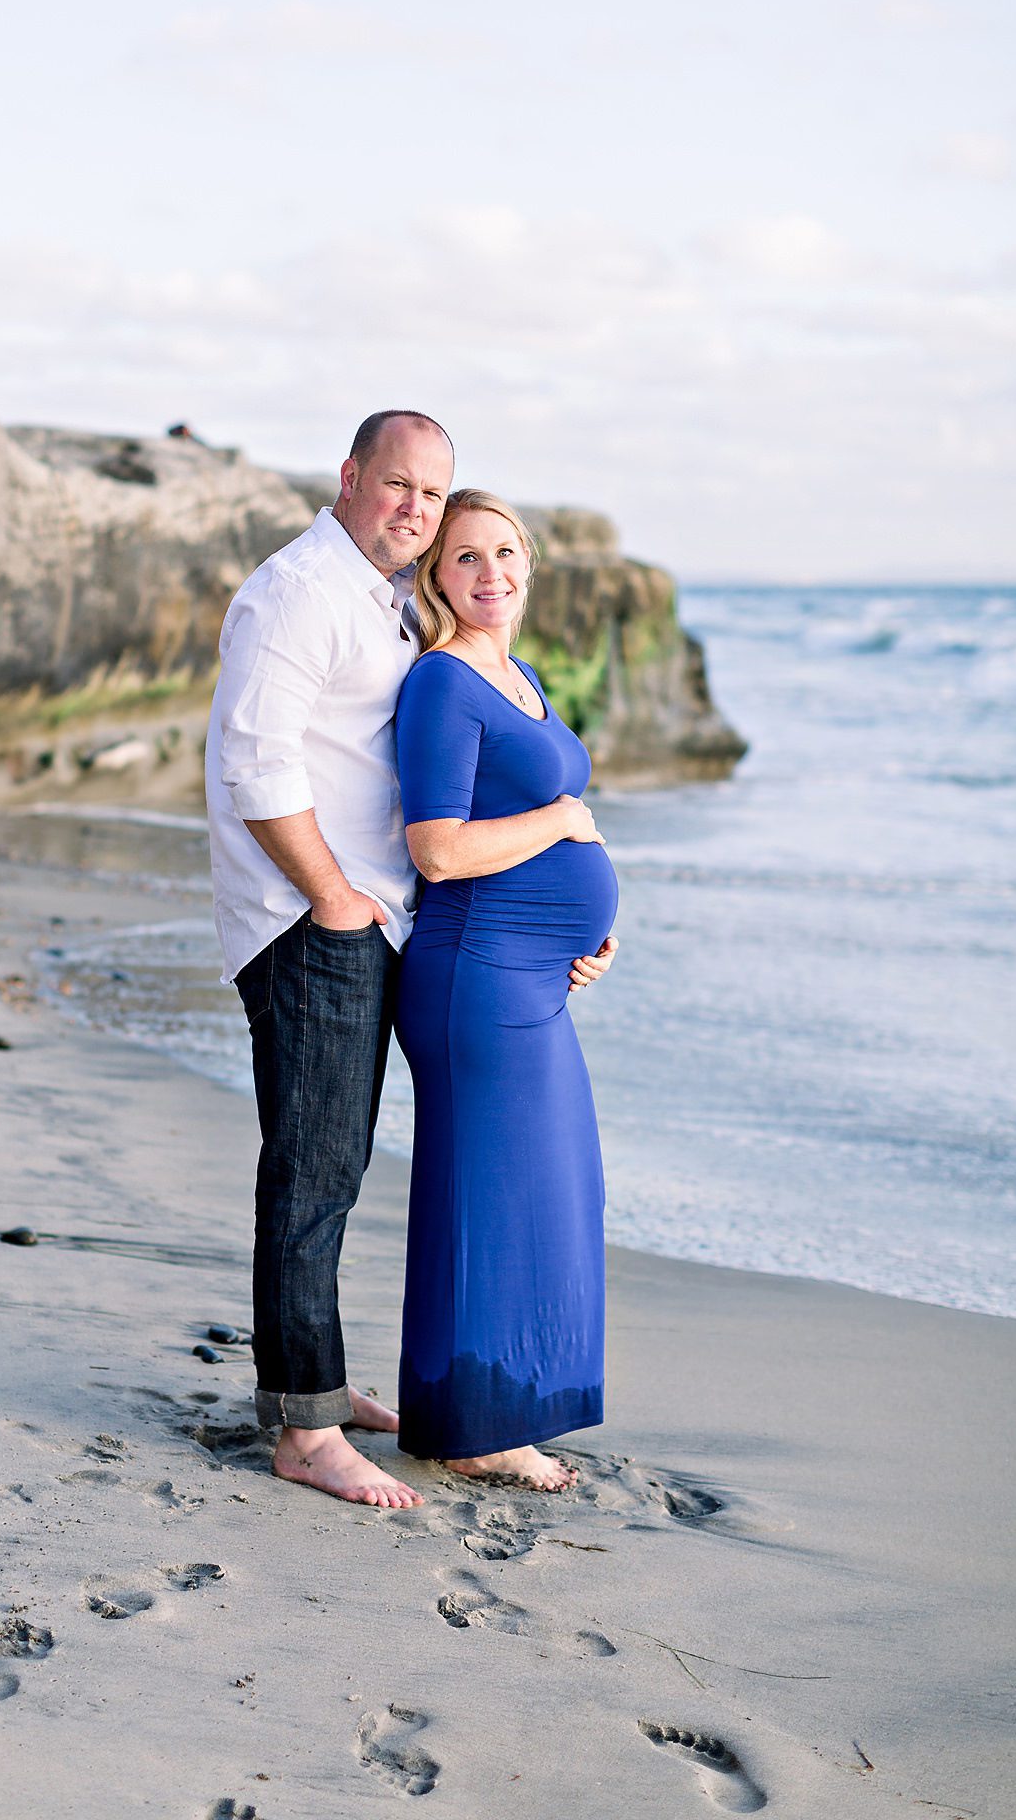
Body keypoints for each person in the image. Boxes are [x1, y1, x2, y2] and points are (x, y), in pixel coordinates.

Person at [206, 416, 615, 1509]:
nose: (415, 510)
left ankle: (322, 1385)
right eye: (399, 486)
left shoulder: (382, 604)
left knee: (337, 1164)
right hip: (311, 925)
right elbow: (253, 759)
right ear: (349, 477)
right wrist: (331, 895)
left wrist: (554, 923)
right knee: (314, 1168)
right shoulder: (296, 591)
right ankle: (301, 1427)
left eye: (432, 496)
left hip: (383, 925)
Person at [394, 488, 620, 1490]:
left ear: (527, 562)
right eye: (466, 557)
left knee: (540, 1187)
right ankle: (479, 1425)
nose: (491, 571)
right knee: (496, 1193)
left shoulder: (514, 671)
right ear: (434, 576)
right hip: (474, 969)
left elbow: (539, 818)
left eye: (505, 551)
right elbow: (437, 848)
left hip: (528, 969)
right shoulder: (441, 682)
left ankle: (467, 1403)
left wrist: (590, 931)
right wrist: (565, 819)